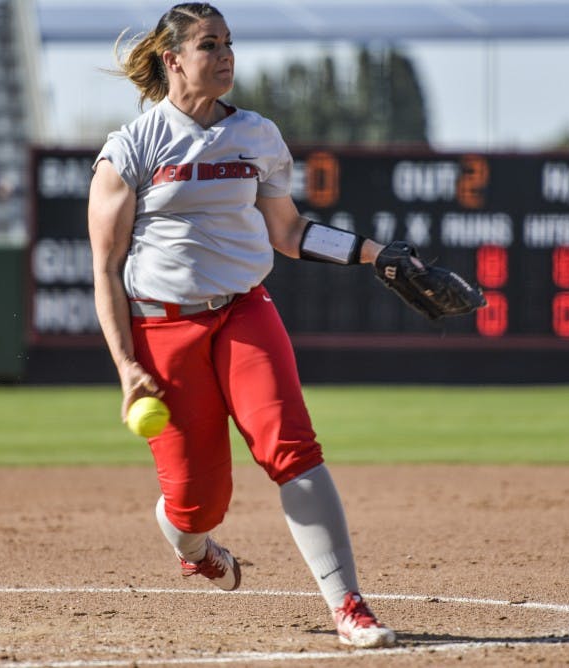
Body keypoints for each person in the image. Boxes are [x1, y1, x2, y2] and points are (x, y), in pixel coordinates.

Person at [88, 2, 397, 649]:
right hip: (163, 331)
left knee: (292, 448)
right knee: (199, 503)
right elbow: (107, 269)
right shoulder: (131, 150)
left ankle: (350, 608)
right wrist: (126, 368)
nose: (225, 56)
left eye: (228, 43)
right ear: (172, 59)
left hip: (242, 311)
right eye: (209, 46)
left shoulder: (255, 134)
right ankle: (192, 545)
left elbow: (287, 232)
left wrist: (376, 254)